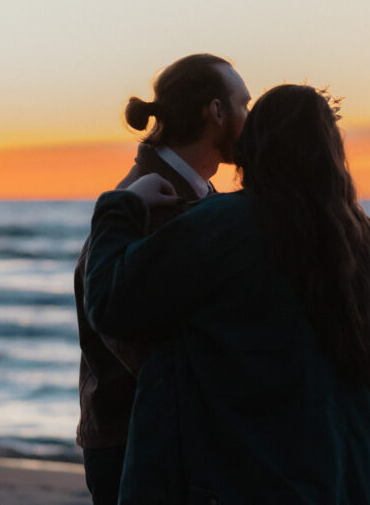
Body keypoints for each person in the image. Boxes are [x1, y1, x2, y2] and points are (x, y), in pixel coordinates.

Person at [84, 84, 370, 504]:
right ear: (334, 156)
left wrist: (119, 207)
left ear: (253, 148)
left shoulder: (225, 226)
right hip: (366, 487)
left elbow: (110, 302)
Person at [74, 53, 251, 505]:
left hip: (160, 439)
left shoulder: (191, 194)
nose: (250, 118)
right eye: (243, 105)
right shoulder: (151, 202)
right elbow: (122, 325)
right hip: (136, 444)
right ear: (215, 112)